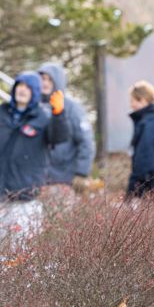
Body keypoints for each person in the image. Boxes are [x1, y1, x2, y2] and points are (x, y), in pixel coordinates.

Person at [0, 72, 69, 250]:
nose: (22, 90)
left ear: (35, 92)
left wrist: (59, 114)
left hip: (26, 199)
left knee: (24, 251)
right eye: (19, 85)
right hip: (1, 194)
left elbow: (59, 137)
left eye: (27, 87)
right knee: (2, 248)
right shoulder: (0, 115)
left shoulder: (43, 118)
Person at [37, 63, 96, 205]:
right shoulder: (34, 106)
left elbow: (86, 141)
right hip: (36, 180)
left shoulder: (72, 108)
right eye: (42, 79)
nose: (45, 83)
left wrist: (82, 172)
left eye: (49, 79)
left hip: (62, 180)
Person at [127, 81, 154, 196]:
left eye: (133, 101)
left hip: (152, 190)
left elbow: (146, 161)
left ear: (143, 100)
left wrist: (132, 192)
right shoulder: (153, 120)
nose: (131, 105)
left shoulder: (150, 124)